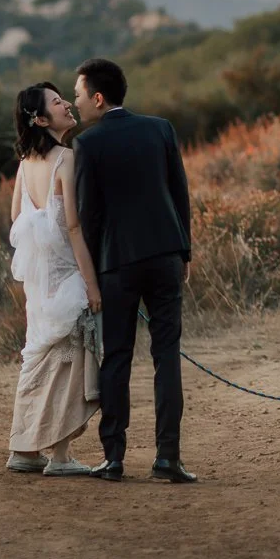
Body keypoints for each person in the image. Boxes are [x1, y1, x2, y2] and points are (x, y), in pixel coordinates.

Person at [72, 57, 196, 483]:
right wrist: (184, 253)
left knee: (117, 358)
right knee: (167, 358)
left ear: (99, 98)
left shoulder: (87, 145)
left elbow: (89, 217)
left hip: (116, 264)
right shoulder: (160, 128)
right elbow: (180, 194)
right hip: (165, 257)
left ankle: (114, 458)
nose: (76, 103)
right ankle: (168, 458)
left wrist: (91, 273)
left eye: (79, 94)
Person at [5, 81, 101, 477]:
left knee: (38, 359)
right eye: (58, 103)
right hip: (67, 276)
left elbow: (17, 219)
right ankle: (60, 457)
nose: (66, 105)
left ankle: (23, 449)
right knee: (71, 363)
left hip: (39, 285)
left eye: (65, 99)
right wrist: (92, 285)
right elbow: (75, 228)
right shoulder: (66, 158)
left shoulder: (25, 165)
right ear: (42, 119)